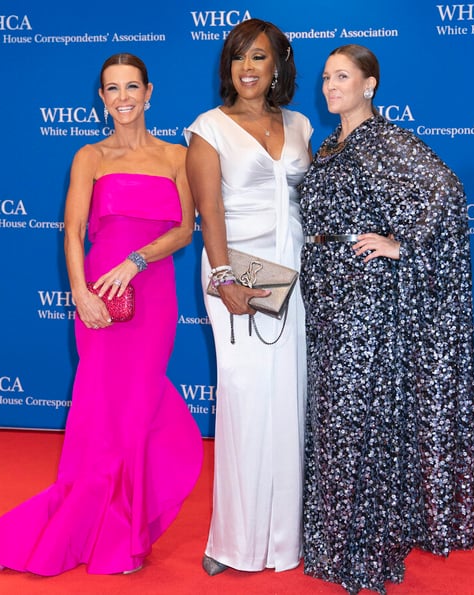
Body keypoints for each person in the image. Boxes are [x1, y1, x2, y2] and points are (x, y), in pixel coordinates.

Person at [0, 53, 203, 576]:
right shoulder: (89, 157)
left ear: (150, 92)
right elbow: (73, 230)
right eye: (111, 89)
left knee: (138, 406)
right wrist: (81, 292)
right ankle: (86, 526)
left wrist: (137, 259)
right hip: (100, 294)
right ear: (101, 98)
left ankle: (125, 532)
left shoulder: (175, 156)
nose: (122, 98)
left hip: (152, 293)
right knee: (100, 408)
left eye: (131, 87)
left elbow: (186, 229)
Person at [300, 44, 474, 594]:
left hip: (363, 295)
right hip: (327, 291)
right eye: (327, 77)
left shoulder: (383, 141)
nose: (331, 86)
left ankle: (362, 544)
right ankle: (334, 537)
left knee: (357, 416)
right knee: (336, 414)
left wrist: (403, 243)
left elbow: (446, 192)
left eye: (343, 77)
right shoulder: (330, 145)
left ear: (370, 85)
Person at [184, 19, 312, 576]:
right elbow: (208, 214)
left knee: (287, 401)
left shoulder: (303, 124)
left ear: (278, 64)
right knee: (242, 402)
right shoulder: (208, 128)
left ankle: (286, 538)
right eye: (238, 58)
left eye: (258, 57)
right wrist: (225, 280)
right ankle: (234, 541)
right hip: (236, 276)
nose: (248, 69)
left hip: (296, 277)